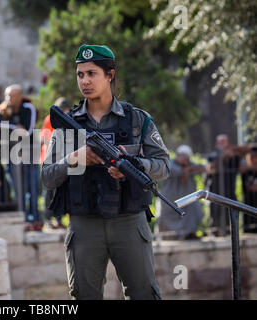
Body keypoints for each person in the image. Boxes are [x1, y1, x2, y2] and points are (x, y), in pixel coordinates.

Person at [42, 44, 170, 300]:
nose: (85, 81)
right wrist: (75, 159)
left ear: (110, 75)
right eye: (80, 75)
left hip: (129, 221)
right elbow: (47, 176)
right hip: (84, 223)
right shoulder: (68, 124)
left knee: (144, 294)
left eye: (92, 73)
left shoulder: (138, 120)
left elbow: (164, 165)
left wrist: (134, 166)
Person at [0, 84, 40, 231]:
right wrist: (14, 126)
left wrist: (8, 127)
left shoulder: (28, 108)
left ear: (20, 96)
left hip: (29, 154)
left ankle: (35, 219)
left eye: (12, 96)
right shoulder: (2, 109)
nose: (8, 99)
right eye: (7, 96)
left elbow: (28, 131)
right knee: (18, 190)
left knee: (33, 189)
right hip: (11, 156)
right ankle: (23, 220)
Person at [157, 145, 205, 240]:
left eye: (186, 156)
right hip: (170, 200)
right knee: (167, 221)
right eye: (182, 156)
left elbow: (202, 168)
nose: (183, 158)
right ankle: (167, 237)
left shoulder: (190, 164)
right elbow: (178, 171)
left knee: (193, 210)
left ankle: (189, 234)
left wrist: (190, 168)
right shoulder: (169, 164)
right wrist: (188, 169)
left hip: (186, 200)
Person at [206, 134, 249, 235]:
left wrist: (232, 149)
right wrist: (222, 156)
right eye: (220, 142)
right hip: (215, 191)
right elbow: (209, 169)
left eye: (224, 142)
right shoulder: (212, 156)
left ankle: (231, 232)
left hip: (230, 191)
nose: (222, 144)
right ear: (216, 144)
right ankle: (215, 232)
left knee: (230, 213)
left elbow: (249, 149)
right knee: (215, 213)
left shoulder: (234, 156)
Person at [41, 97, 71, 230]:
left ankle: (58, 219)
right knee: (49, 191)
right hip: (50, 160)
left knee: (59, 190)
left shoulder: (67, 119)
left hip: (61, 160)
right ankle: (47, 219)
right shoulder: (50, 119)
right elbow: (44, 137)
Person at [240, 145, 257, 233]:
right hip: (248, 206)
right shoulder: (246, 172)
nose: (253, 160)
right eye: (251, 157)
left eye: (255, 157)